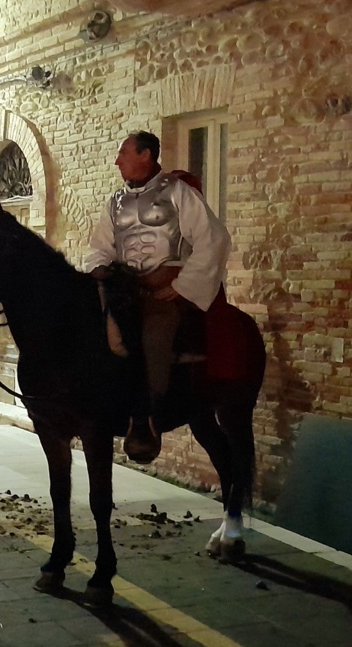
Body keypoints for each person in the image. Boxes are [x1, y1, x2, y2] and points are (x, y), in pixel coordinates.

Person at [85, 131, 231, 464]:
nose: (117, 161)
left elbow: (213, 238)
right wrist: (100, 270)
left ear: (146, 155)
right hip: (125, 290)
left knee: (154, 334)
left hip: (165, 292)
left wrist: (181, 286)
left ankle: (147, 417)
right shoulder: (115, 202)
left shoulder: (178, 192)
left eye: (123, 153)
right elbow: (99, 247)